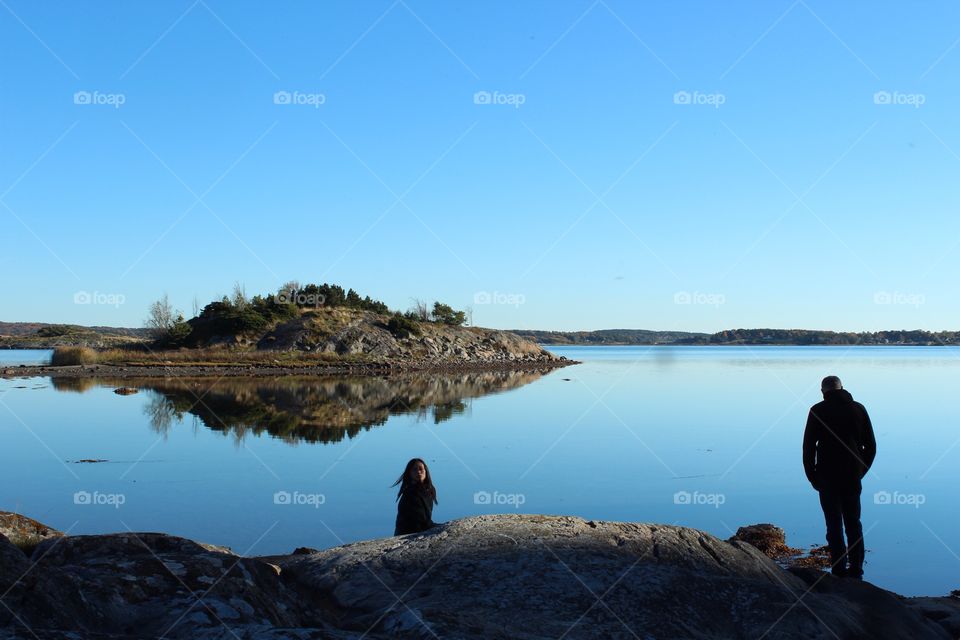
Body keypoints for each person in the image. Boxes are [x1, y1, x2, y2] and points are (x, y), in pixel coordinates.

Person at [802, 375, 877, 579]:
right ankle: (857, 569)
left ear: (823, 392)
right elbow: (870, 446)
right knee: (854, 522)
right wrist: (861, 470)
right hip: (852, 475)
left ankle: (838, 569)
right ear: (843, 388)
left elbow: (808, 447)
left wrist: (812, 476)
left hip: (826, 476)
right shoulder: (858, 409)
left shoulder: (817, 411)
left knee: (833, 524)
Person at [393, 458, 438, 536]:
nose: (418, 472)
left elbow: (426, 517)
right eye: (414, 470)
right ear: (409, 473)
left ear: (426, 471)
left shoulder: (430, 489)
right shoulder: (409, 493)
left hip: (423, 529)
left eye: (421, 469)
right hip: (408, 533)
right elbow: (418, 519)